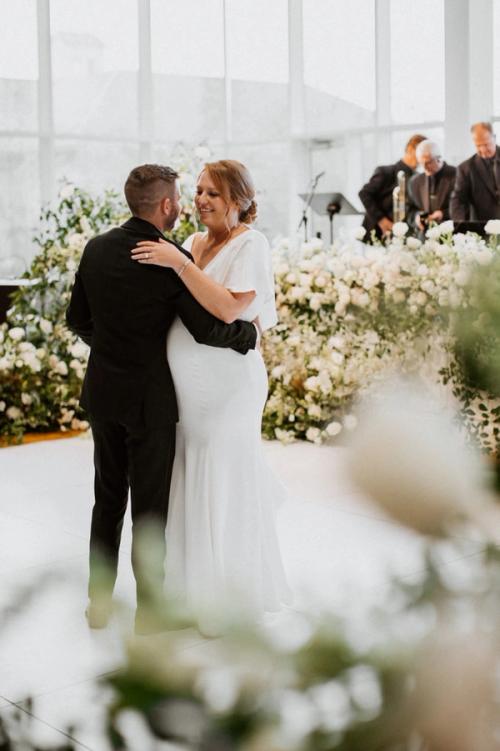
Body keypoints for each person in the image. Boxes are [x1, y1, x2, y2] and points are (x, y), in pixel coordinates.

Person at [66, 164, 258, 635]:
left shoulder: (96, 249)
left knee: (106, 499)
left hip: (105, 393)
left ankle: (98, 606)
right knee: (149, 510)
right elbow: (205, 328)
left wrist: (112, 348)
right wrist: (248, 335)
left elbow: (77, 319)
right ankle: (149, 616)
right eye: (182, 197)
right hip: (150, 402)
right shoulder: (167, 257)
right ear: (167, 205)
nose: (187, 204)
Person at [130, 159, 291, 628]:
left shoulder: (250, 244)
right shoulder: (197, 242)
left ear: (238, 201)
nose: (200, 200)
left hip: (229, 388)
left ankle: (226, 598)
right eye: (198, 191)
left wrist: (178, 262)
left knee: (222, 475)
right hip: (186, 389)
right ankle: (188, 593)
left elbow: (226, 310)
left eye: (212, 194)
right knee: (189, 473)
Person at [359, 134, 427, 240]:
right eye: (420, 151)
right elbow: (364, 193)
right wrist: (382, 220)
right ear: (410, 149)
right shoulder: (385, 172)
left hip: (406, 237)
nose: (422, 157)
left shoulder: (420, 179)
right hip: (377, 234)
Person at [450, 122, 500, 221]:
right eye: (478, 146)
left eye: (486, 144)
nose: (483, 150)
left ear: (494, 137)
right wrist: (460, 225)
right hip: (483, 227)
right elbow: (458, 200)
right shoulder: (465, 168)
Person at [408, 140, 456, 232]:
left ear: (439, 158)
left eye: (428, 162)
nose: (424, 168)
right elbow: (409, 211)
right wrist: (417, 217)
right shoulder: (414, 182)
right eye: (421, 163)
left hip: (452, 235)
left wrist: (443, 214)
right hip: (424, 237)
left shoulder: (457, 175)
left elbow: (466, 207)